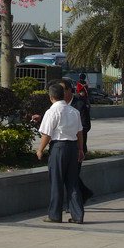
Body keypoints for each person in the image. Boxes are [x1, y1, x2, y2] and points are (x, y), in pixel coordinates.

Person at [36, 81, 85, 224]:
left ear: (51, 97)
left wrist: (40, 149)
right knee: (73, 182)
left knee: (57, 182)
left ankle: (55, 215)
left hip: (58, 148)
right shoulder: (74, 111)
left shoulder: (52, 112)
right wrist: (80, 149)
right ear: (63, 95)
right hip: (73, 147)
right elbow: (79, 133)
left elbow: (47, 134)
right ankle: (78, 215)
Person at [61, 78, 93, 202]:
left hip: (77, 147)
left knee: (72, 176)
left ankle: (75, 203)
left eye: (63, 90)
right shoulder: (58, 105)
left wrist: (72, 132)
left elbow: (86, 126)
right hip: (63, 147)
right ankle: (84, 193)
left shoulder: (79, 105)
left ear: (70, 90)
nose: (61, 93)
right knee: (68, 175)